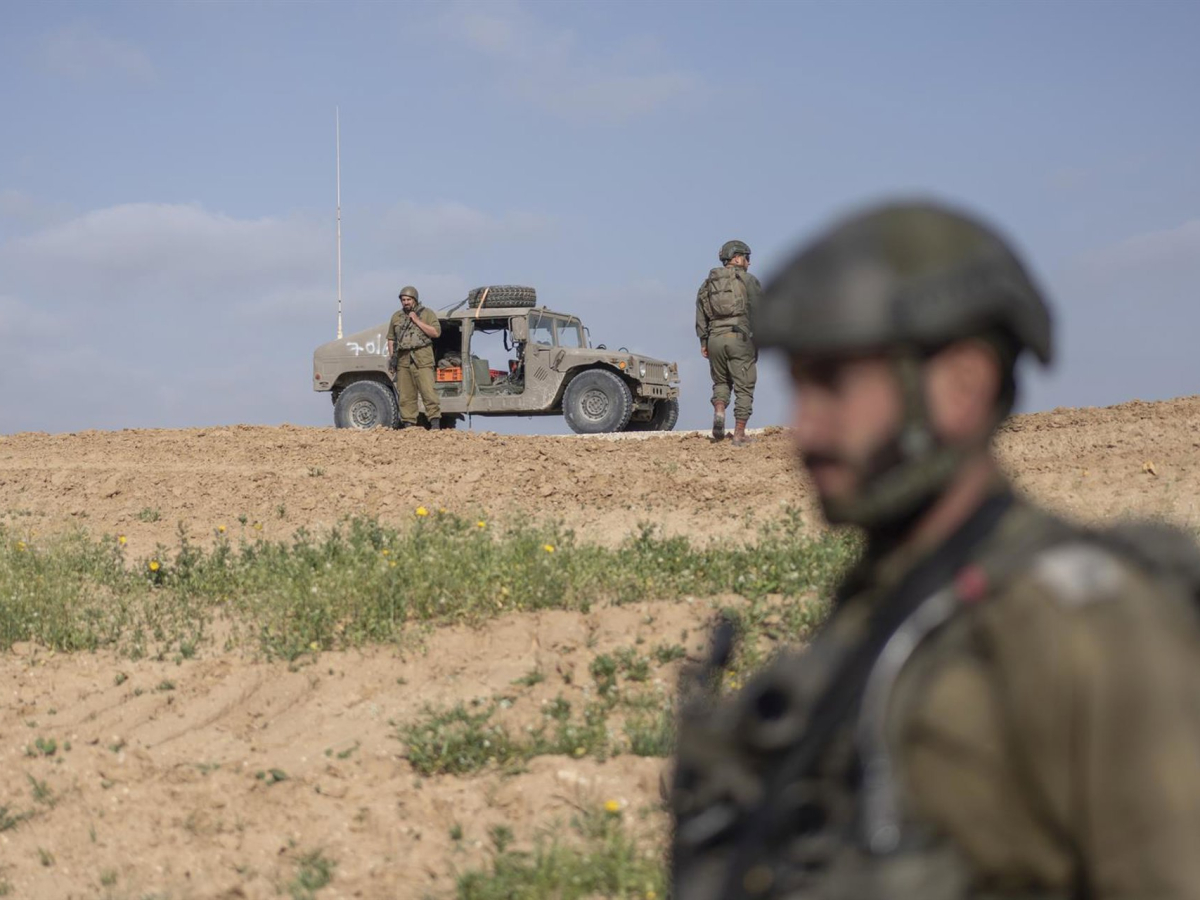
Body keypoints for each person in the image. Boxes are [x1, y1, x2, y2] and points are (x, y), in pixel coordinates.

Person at [671, 201, 1200, 900]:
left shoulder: (1087, 631)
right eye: (798, 385)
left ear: (962, 387)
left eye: (834, 384)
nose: (806, 428)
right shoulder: (887, 611)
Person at [696, 240, 760, 445]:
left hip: (714, 339)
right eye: (747, 258)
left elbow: (700, 315)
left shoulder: (708, 284)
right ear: (737, 258)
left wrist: (704, 342)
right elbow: (760, 310)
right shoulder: (748, 280)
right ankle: (739, 434)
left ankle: (719, 410)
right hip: (739, 338)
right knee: (744, 386)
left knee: (721, 382)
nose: (749, 262)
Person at [387, 285, 443, 430]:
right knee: (406, 395)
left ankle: (435, 423)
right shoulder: (396, 317)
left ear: (415, 300)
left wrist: (417, 320)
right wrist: (392, 358)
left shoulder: (427, 313)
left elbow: (436, 333)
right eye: (403, 300)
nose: (405, 302)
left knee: (428, 392)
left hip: (422, 358)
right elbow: (391, 338)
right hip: (403, 360)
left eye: (408, 299)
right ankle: (409, 424)